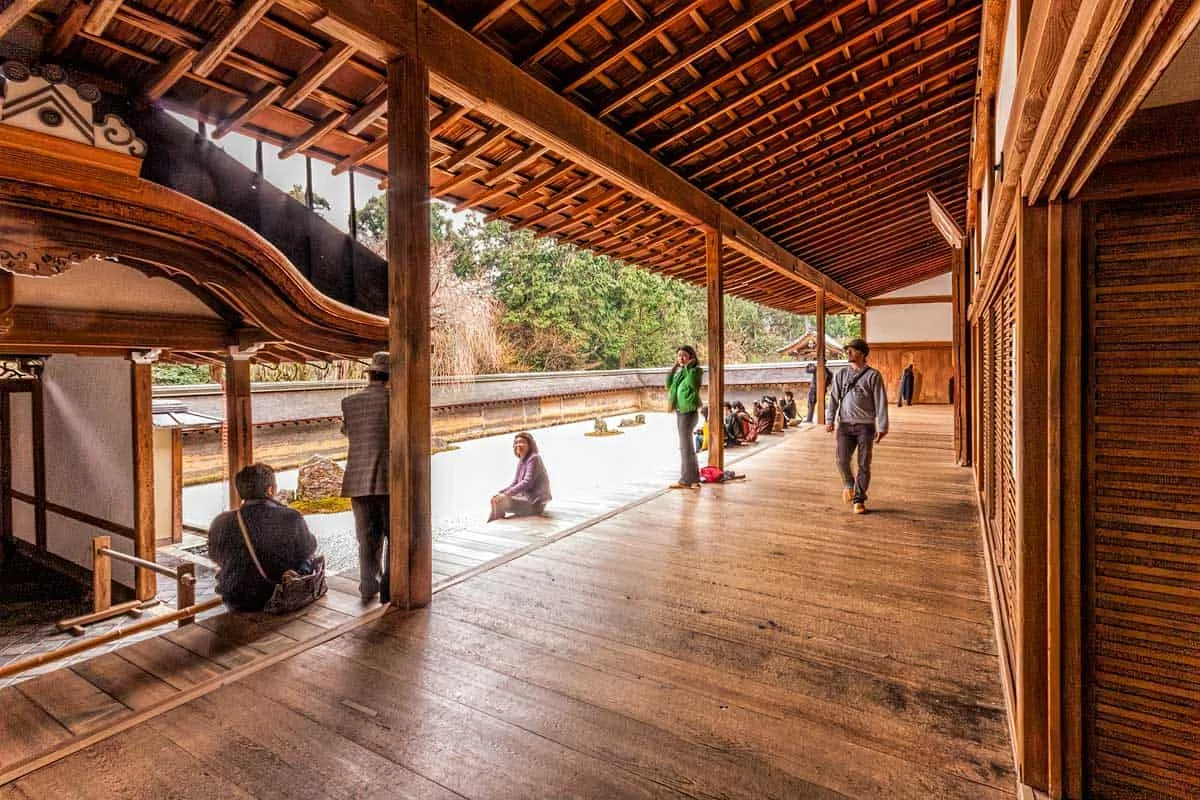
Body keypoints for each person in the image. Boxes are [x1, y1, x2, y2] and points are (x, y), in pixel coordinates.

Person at [208, 463, 318, 612]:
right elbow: (308, 549)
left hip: (236, 597)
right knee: (308, 558)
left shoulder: (221, 521)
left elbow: (214, 555)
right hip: (277, 595)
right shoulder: (290, 517)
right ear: (270, 490)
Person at [340, 351, 390, 603]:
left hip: (357, 479)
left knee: (366, 538)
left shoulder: (349, 402)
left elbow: (348, 432)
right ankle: (391, 588)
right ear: (391, 377)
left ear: (370, 375)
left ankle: (368, 586)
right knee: (394, 535)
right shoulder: (394, 401)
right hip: (389, 480)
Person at [826, 338, 888, 514]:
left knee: (863, 463)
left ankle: (859, 499)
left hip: (865, 425)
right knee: (841, 459)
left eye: (852, 350)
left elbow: (881, 401)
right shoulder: (841, 374)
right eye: (848, 350)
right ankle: (849, 484)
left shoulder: (873, 375)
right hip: (845, 424)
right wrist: (830, 419)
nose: (848, 353)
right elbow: (834, 398)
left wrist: (882, 426)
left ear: (862, 353)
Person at [489, 431, 552, 521]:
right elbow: (515, 483)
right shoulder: (522, 460)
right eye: (516, 442)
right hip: (525, 499)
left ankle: (494, 522)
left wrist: (506, 494)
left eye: (522, 442)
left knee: (500, 501)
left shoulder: (534, 458)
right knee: (495, 498)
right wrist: (501, 492)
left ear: (530, 445)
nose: (518, 445)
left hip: (535, 503)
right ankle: (495, 520)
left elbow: (527, 482)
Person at [666, 345, 702, 489]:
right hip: (680, 412)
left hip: (689, 413)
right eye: (679, 355)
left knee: (686, 447)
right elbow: (668, 385)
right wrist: (675, 367)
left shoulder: (695, 371)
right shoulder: (680, 373)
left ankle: (690, 480)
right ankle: (689, 479)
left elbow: (692, 384)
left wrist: (688, 367)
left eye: (684, 355)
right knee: (685, 447)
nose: (681, 358)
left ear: (691, 357)